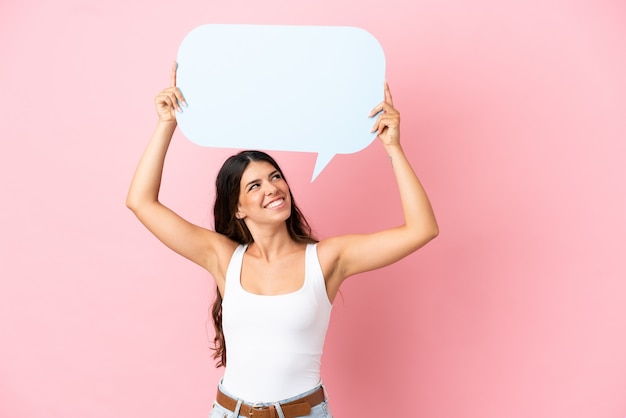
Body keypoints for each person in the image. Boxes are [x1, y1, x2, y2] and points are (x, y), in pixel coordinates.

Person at [126, 62, 438, 418]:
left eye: (275, 177)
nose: (273, 188)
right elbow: (140, 202)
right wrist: (166, 124)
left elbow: (421, 229)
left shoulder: (327, 259)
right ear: (237, 209)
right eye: (254, 185)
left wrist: (393, 148)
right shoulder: (223, 258)